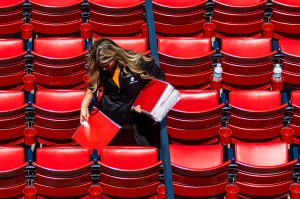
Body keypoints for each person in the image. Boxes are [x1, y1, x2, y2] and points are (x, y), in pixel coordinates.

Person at [80, 38, 165, 146]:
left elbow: (160, 79)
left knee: (149, 148)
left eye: (106, 64)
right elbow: (94, 82)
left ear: (115, 55)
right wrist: (84, 104)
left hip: (136, 111)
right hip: (111, 109)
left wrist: (146, 102)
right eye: (102, 66)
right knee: (92, 145)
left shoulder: (137, 62)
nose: (104, 69)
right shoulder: (101, 68)